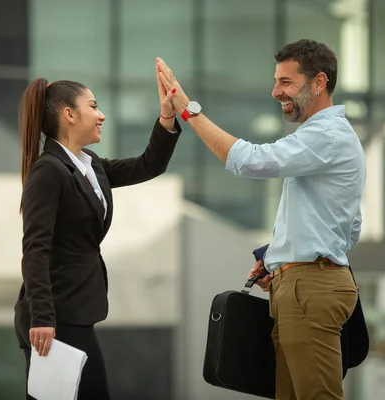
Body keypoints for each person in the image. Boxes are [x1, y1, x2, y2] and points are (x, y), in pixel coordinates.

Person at [156, 39, 366, 400]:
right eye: (276, 81)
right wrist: (278, 257)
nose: (275, 92)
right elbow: (350, 226)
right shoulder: (323, 139)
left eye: (286, 82)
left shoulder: (326, 135)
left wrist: (188, 111)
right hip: (301, 286)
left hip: (309, 289)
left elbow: (250, 160)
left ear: (318, 82)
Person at [13, 61, 181, 400]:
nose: (101, 114)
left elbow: (149, 164)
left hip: (76, 308)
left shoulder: (90, 166)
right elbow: (35, 249)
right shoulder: (49, 171)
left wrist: (166, 117)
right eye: (93, 106)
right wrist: (43, 318)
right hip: (54, 318)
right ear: (69, 115)